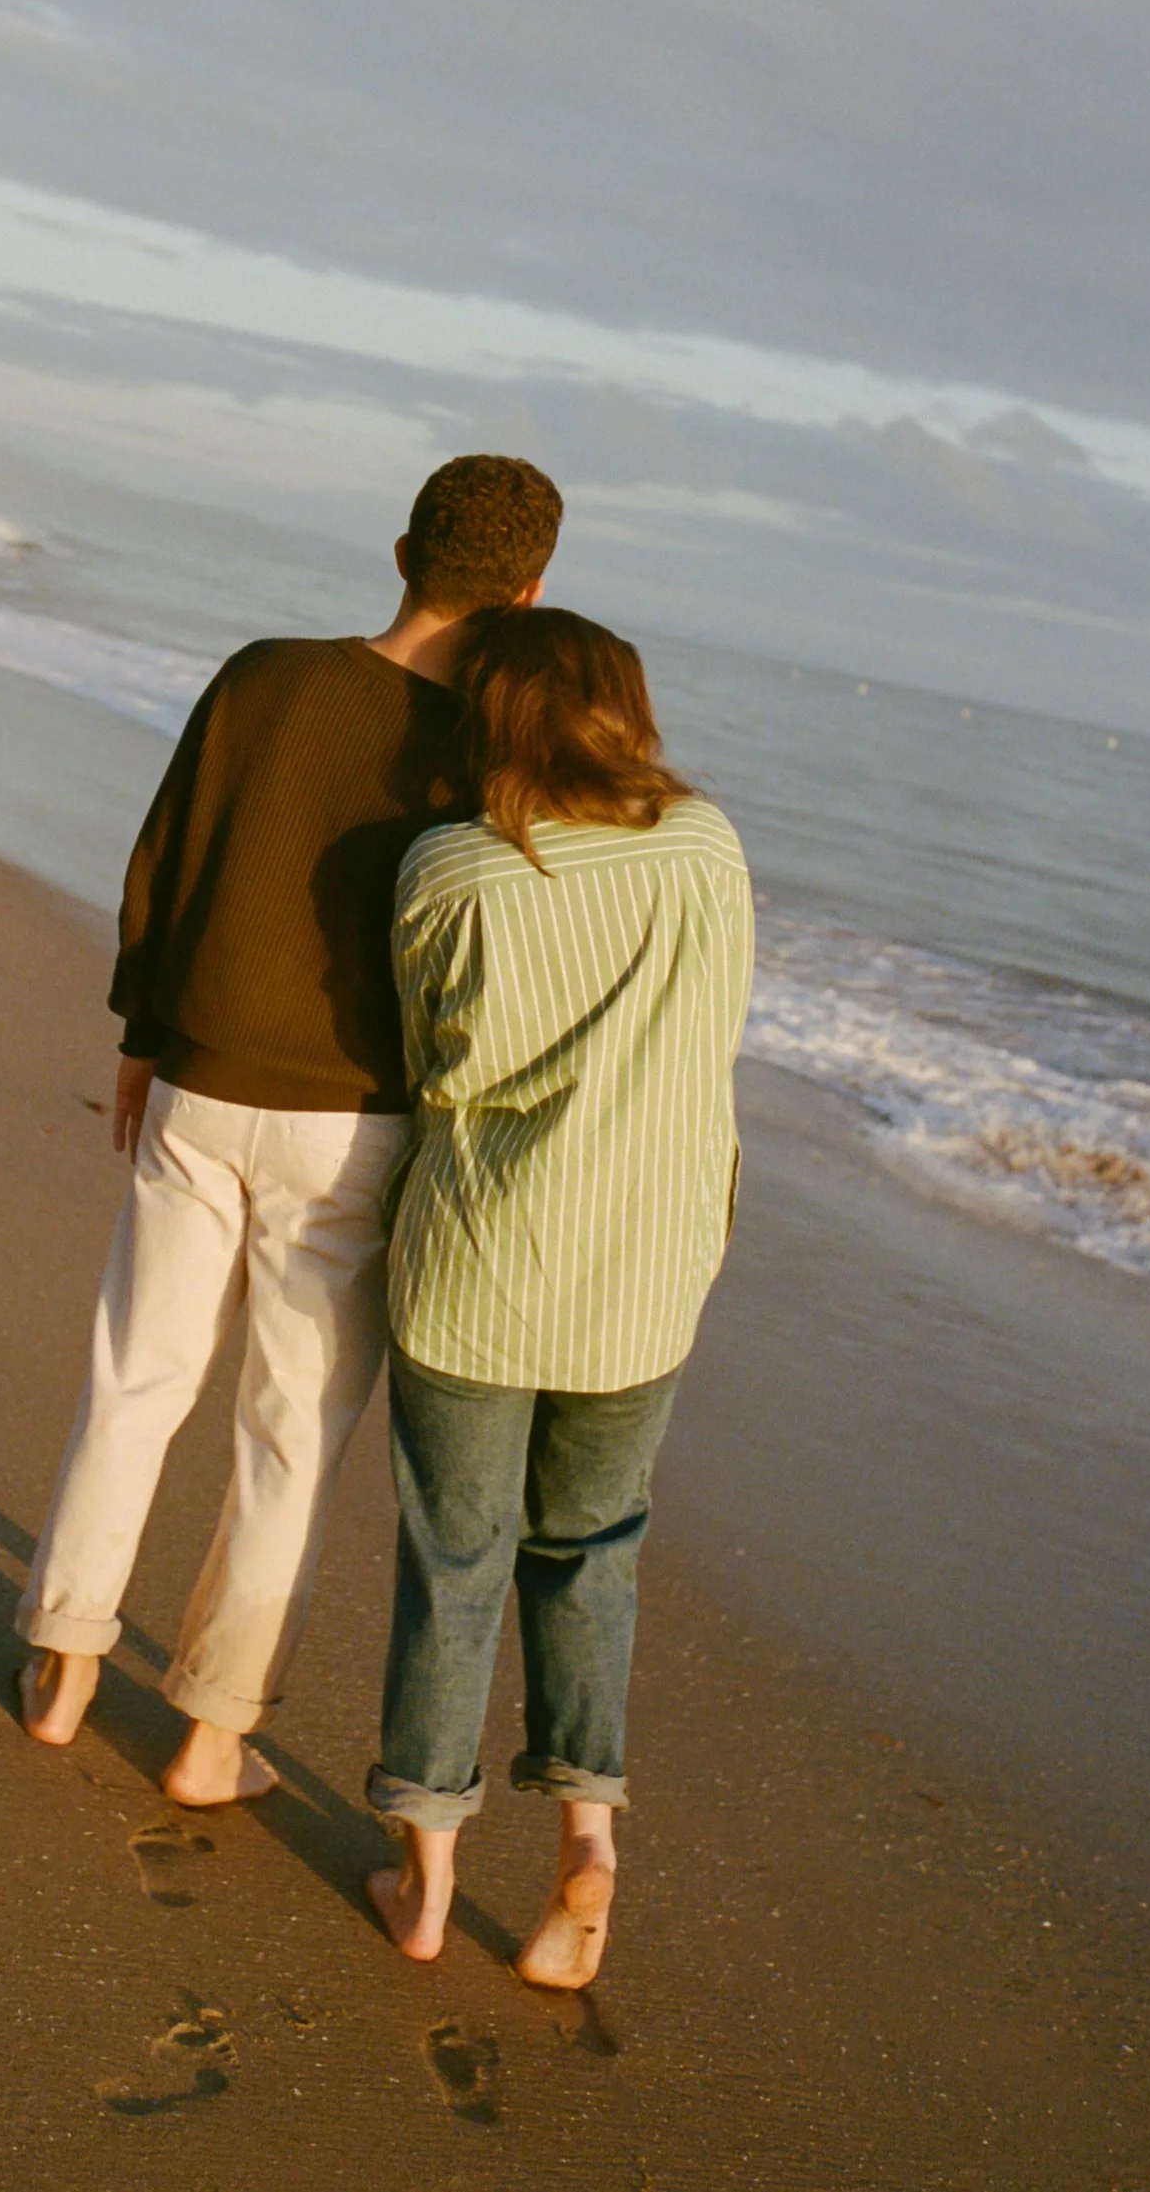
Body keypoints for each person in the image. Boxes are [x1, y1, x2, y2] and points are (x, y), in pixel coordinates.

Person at [15, 455, 564, 1805]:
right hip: (360, 1130)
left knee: (137, 1379)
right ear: (532, 591)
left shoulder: (264, 677)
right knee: (290, 1433)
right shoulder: (498, 754)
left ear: (399, 552)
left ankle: (65, 1665)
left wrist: (142, 1035)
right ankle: (211, 1733)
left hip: (201, 1081)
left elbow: (166, 857)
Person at [365, 607, 754, 1982]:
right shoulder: (704, 844)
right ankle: (588, 1849)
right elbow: (718, 1027)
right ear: (620, 713)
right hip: (645, 1272)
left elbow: (437, 1069)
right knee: (590, 1549)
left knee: (452, 1564)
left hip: (483, 1264)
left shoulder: (452, 868)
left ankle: (425, 1874)